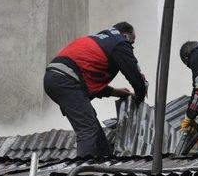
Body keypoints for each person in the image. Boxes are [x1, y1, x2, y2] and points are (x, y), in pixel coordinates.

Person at [44, 22, 148, 158]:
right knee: (88, 128)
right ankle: (83, 174)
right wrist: (139, 96)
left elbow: (87, 78)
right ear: (125, 35)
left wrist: (114, 92)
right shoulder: (120, 43)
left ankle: (104, 160)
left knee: (90, 121)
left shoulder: (103, 40)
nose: (131, 47)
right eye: (131, 43)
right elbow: (134, 76)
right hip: (65, 80)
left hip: (56, 79)